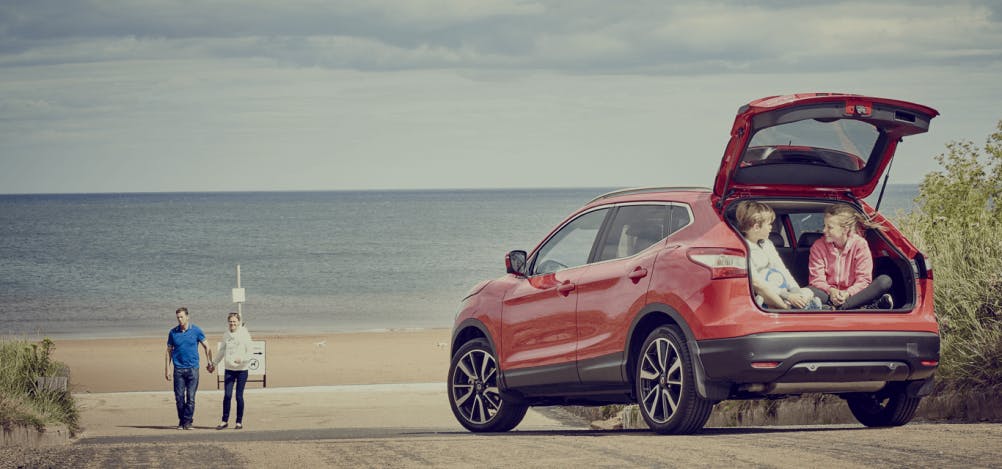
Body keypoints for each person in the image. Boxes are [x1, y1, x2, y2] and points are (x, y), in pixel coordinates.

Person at [735, 201, 821, 310]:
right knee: (764, 292)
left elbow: (782, 269)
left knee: (808, 291)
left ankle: (800, 305)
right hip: (768, 292)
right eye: (769, 224)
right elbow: (757, 282)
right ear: (757, 227)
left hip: (783, 288)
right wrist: (788, 296)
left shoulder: (767, 244)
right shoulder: (743, 248)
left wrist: (796, 291)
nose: (771, 228)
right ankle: (789, 309)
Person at [807, 204, 894, 310]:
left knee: (884, 281)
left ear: (845, 229)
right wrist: (831, 291)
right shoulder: (818, 246)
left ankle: (840, 308)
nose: (824, 230)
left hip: (854, 295)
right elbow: (816, 280)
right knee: (808, 290)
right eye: (824, 226)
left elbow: (863, 280)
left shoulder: (860, 245)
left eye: (829, 227)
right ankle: (864, 308)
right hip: (828, 295)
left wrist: (847, 293)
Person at [165, 307, 212, 430]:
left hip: (193, 369)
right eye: (178, 317)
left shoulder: (196, 330)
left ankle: (188, 422)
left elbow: (207, 346)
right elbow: (169, 351)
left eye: (182, 317)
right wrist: (167, 369)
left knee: (191, 397)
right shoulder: (173, 332)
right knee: (179, 397)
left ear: (187, 317)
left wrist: (209, 361)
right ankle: (182, 421)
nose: (180, 319)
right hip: (178, 370)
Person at [210, 312, 253, 430]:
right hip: (229, 370)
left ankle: (239, 422)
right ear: (228, 322)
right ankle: (224, 421)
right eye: (230, 322)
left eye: (234, 321)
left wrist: (242, 359)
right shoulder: (226, 335)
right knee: (227, 395)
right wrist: (213, 364)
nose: (232, 323)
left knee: (239, 396)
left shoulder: (244, 334)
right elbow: (221, 351)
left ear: (238, 322)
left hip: (242, 370)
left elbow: (250, 352)